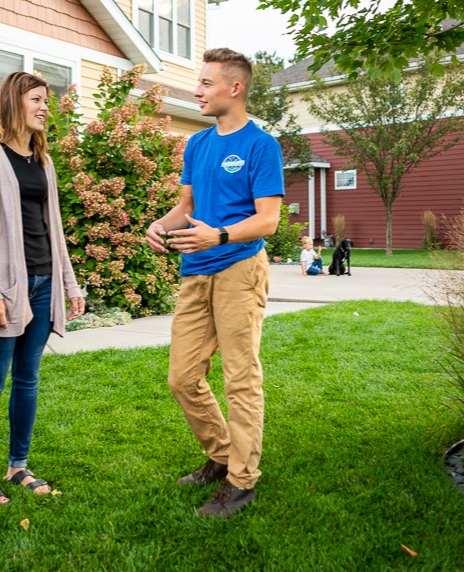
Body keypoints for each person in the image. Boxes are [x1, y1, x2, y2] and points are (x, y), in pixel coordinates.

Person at [145, 48, 284, 518]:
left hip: (239, 268)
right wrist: (161, 225)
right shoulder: (198, 145)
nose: (197, 90)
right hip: (196, 270)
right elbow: (186, 206)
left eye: (205, 83)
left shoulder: (261, 146)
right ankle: (222, 455)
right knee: (183, 377)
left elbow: (268, 220)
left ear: (235, 88)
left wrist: (220, 234)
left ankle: (242, 481)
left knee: (240, 378)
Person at [0, 71, 85, 505]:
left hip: (43, 281)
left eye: (46, 102)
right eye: (36, 99)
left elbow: (53, 228)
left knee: (28, 380)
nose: (43, 108)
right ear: (14, 102)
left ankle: (18, 465)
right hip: (7, 286)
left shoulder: (43, 161)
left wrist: (69, 284)